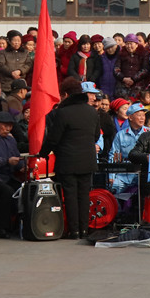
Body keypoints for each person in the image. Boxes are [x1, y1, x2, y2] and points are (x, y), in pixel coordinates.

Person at [39, 77, 101, 239]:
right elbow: (96, 136)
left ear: (65, 94)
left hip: (67, 160)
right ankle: (84, 230)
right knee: (84, 195)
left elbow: (53, 139)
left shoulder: (63, 113)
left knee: (71, 196)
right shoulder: (92, 112)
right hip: (87, 160)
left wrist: (42, 153)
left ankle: (74, 231)